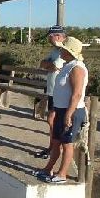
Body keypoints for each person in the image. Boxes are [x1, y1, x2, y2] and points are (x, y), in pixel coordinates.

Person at [36, 36, 88, 184]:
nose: (61, 51)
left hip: (70, 111)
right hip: (61, 109)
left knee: (67, 143)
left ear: (69, 51)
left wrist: (69, 114)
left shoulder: (77, 68)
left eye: (63, 49)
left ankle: (62, 173)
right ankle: (48, 169)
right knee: (57, 141)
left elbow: (77, 93)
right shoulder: (68, 65)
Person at [35, 25, 67, 159]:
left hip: (60, 93)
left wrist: (50, 65)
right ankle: (52, 147)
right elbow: (42, 64)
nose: (49, 39)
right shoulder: (54, 51)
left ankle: (55, 148)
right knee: (52, 121)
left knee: (52, 120)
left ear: (58, 36)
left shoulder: (65, 51)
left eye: (50, 36)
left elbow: (55, 67)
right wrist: (49, 65)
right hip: (52, 91)